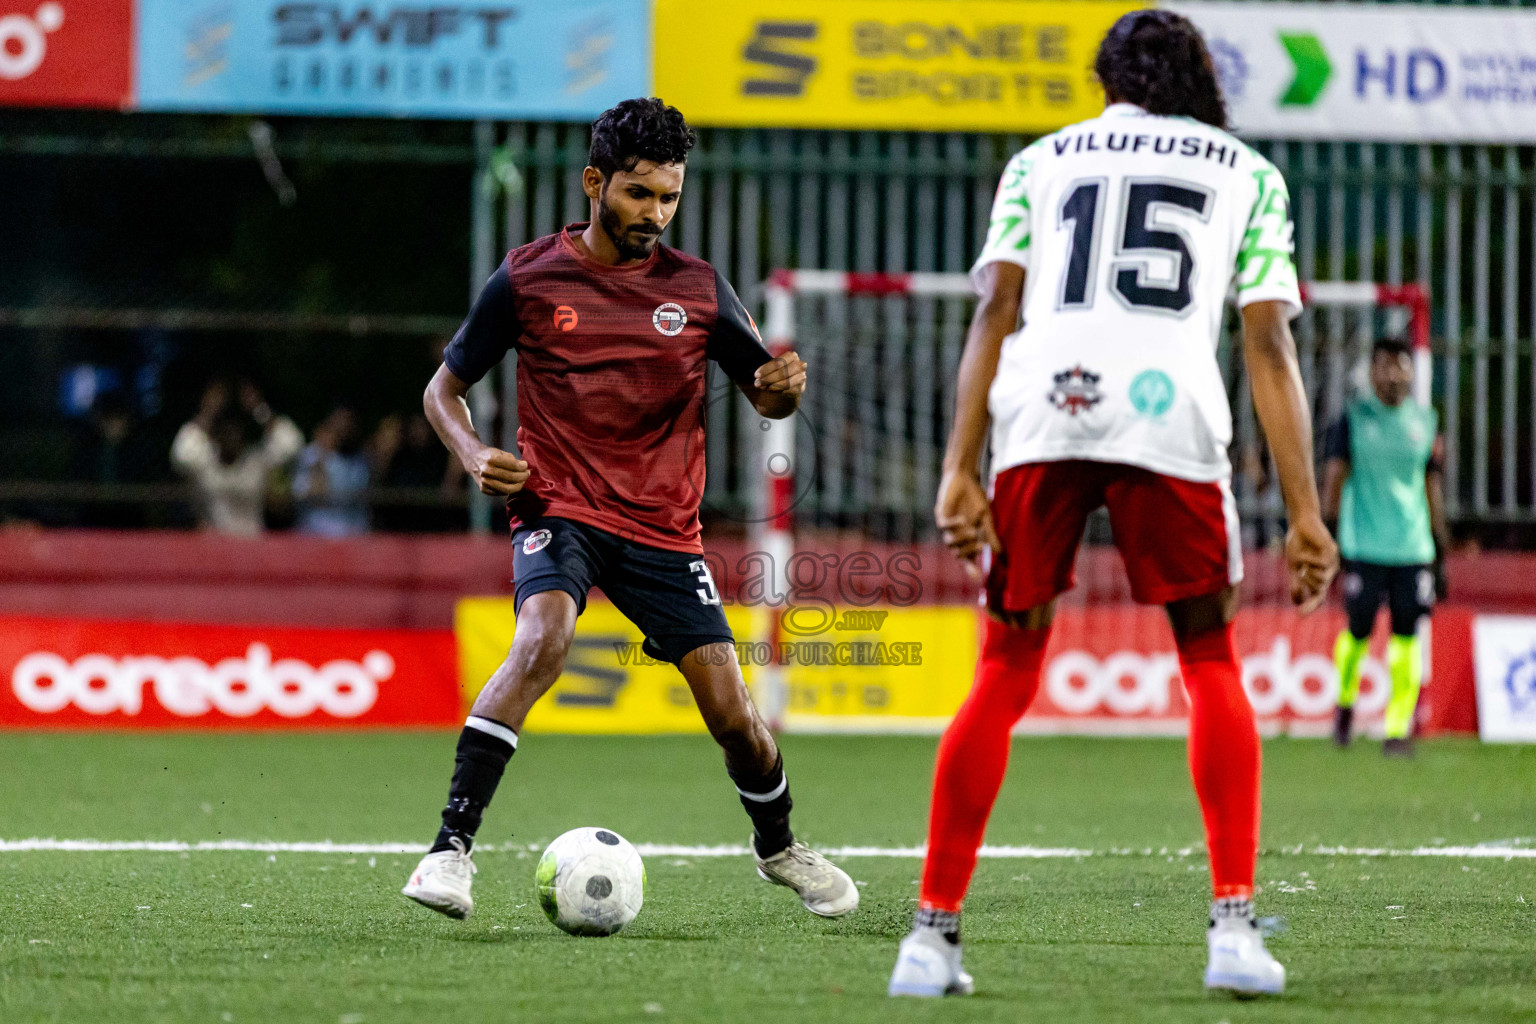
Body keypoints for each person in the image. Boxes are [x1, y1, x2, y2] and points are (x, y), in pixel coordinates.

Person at [887, 10, 1338, 999]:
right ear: (1196, 81)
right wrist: (1306, 513)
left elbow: (994, 312)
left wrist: (960, 465)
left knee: (1003, 669)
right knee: (1209, 657)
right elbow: (1268, 346)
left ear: (1107, 81)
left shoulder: (1040, 161)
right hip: (1166, 413)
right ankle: (1230, 927)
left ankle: (929, 939)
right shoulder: (1246, 172)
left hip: (1042, 409)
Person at [400, 98, 856, 922]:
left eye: (669, 198)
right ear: (593, 182)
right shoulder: (530, 277)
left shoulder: (697, 290)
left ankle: (780, 847)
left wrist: (783, 391)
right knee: (542, 638)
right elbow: (443, 390)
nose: (655, 214)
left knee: (736, 719)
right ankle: (449, 852)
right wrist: (475, 457)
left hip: (662, 531)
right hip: (558, 507)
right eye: (640, 194)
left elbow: (766, 393)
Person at [1323, 338, 1448, 756]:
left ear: (1412, 373)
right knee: (1357, 633)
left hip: (1412, 549)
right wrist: (1328, 534)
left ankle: (1397, 728)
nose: (1392, 374)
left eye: (1400, 366)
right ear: (1371, 371)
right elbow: (1335, 479)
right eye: (1384, 366)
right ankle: (1344, 705)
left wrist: (1440, 550)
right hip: (1363, 546)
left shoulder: (1426, 422)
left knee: (1406, 638)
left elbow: (1432, 487)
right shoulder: (1353, 420)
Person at [170, 380, 303, 536]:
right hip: (214, 545)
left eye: (235, 433)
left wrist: (258, 408)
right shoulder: (206, 461)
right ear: (216, 436)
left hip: (251, 544)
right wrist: (209, 410)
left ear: (243, 436)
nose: (230, 438)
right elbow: (181, 456)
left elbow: (293, 445)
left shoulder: (256, 460)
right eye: (225, 432)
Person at [293, 407, 371, 537]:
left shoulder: (358, 459)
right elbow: (313, 495)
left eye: (348, 423)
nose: (344, 428)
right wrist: (321, 458)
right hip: (315, 536)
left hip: (351, 536)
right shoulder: (310, 455)